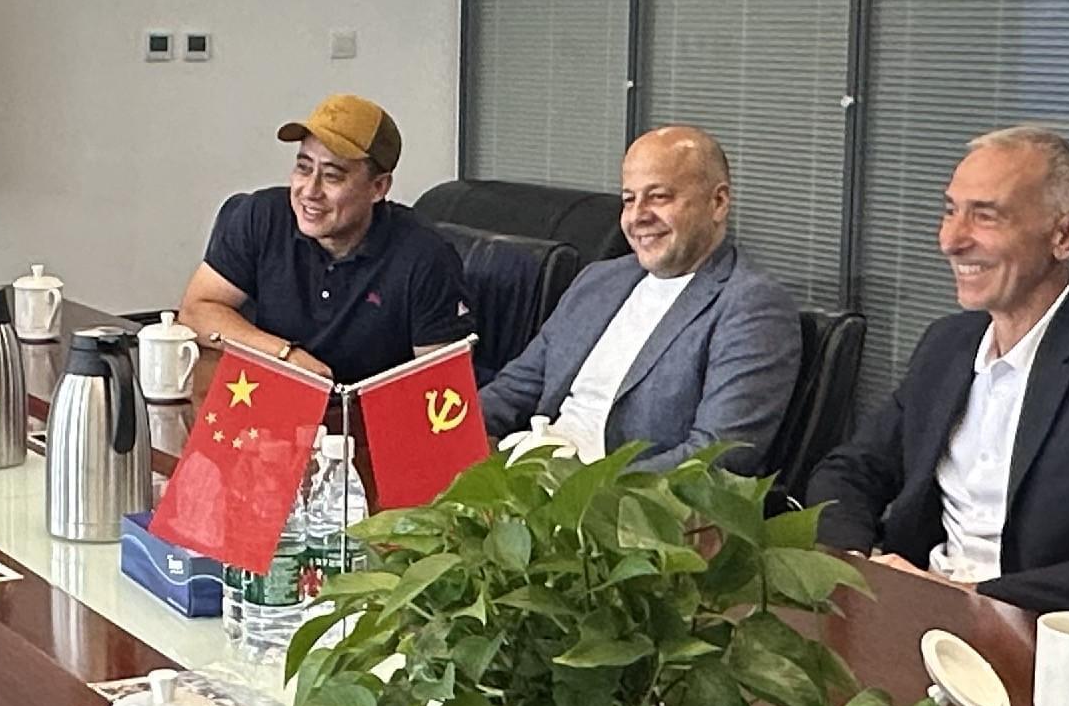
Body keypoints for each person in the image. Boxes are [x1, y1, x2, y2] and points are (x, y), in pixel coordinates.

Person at [809, 126, 1069, 621]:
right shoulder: (947, 345)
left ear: (1066, 236)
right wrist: (860, 565)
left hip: (1033, 631)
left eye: (985, 216)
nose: (951, 240)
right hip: (914, 612)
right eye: (950, 211)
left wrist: (976, 594)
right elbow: (851, 471)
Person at [483, 125, 800, 469]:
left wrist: (583, 490)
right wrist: (452, 434)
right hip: (526, 470)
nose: (638, 216)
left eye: (659, 197)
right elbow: (515, 388)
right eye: (629, 199)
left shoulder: (751, 306)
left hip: (612, 493)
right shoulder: (598, 280)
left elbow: (717, 455)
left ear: (718, 203)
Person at [175, 93, 471, 383]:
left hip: (367, 412)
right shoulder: (261, 215)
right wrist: (285, 356)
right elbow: (196, 311)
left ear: (378, 188)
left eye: (332, 176)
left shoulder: (426, 257)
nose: (309, 191)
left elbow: (442, 385)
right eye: (303, 168)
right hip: (270, 401)